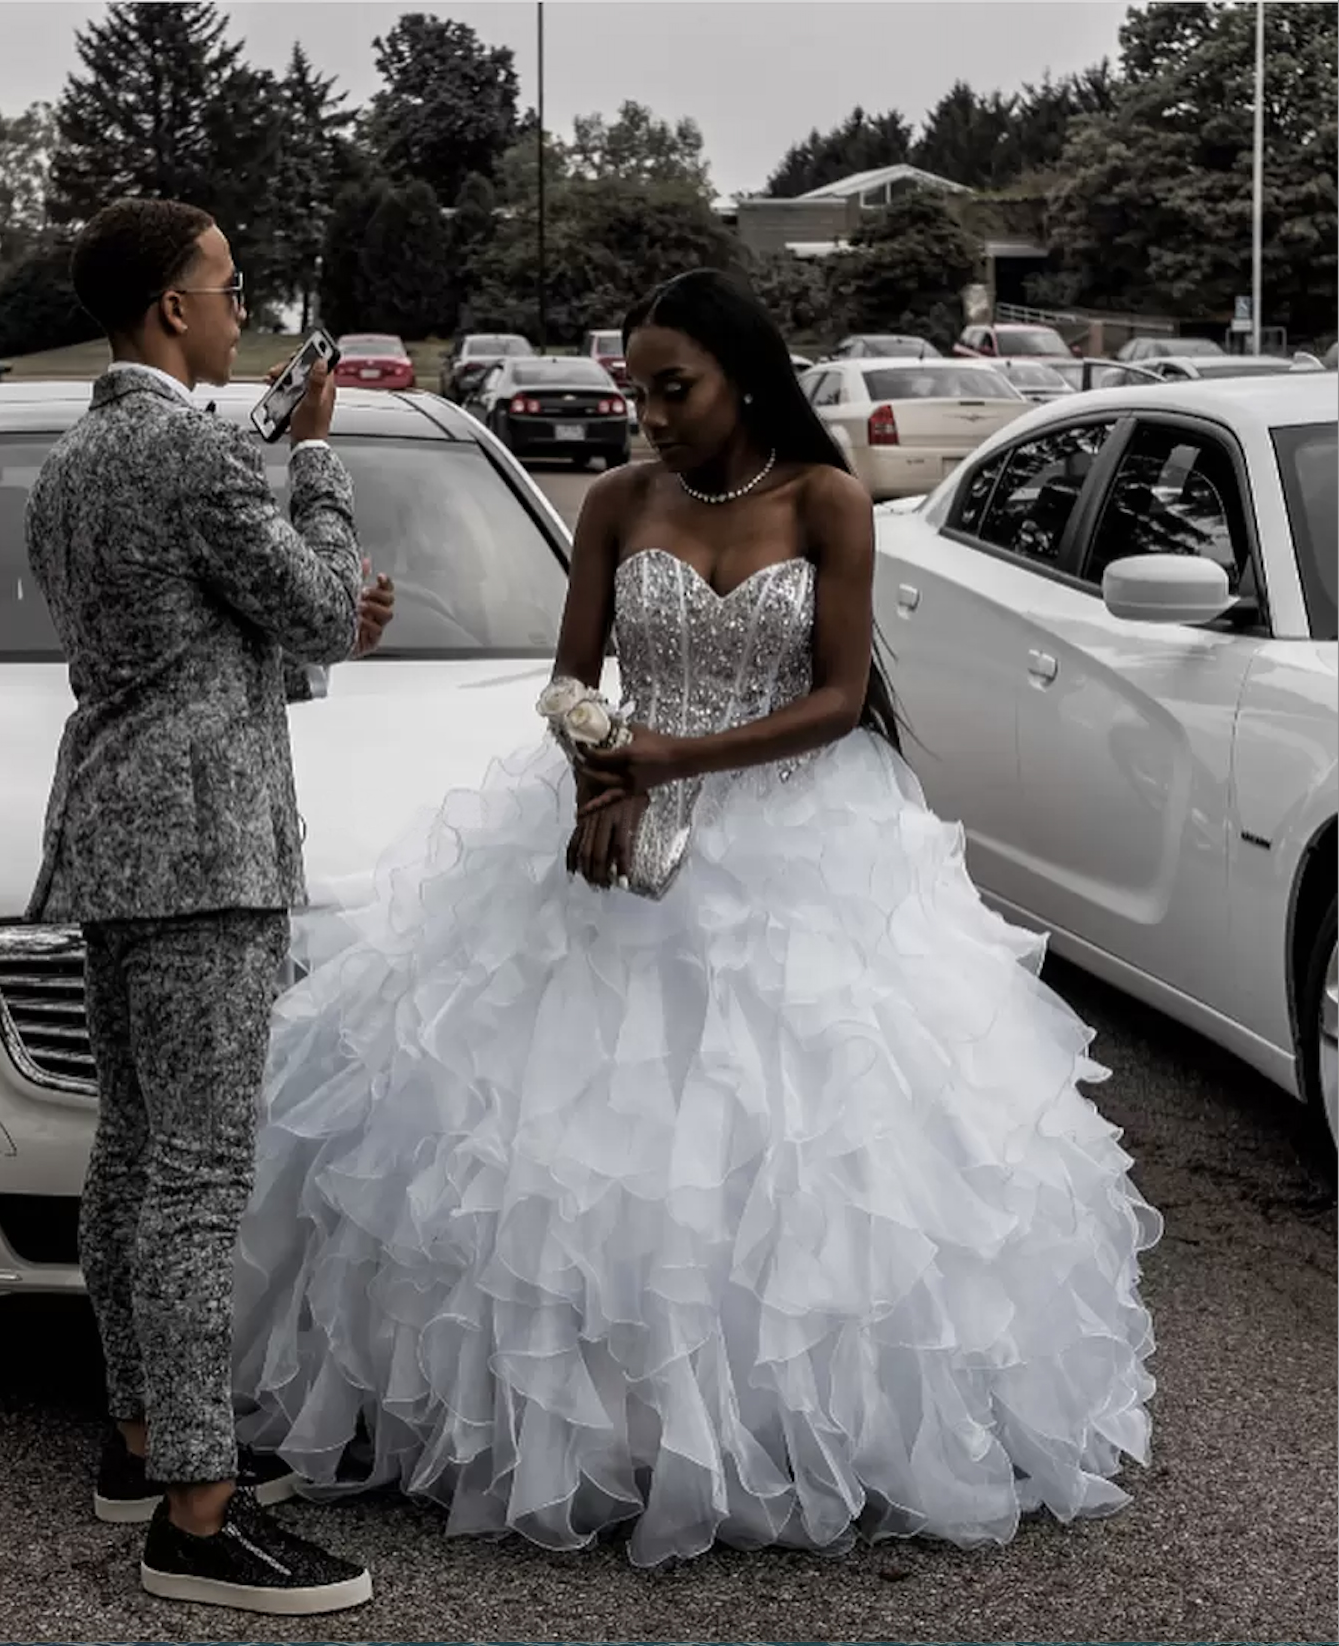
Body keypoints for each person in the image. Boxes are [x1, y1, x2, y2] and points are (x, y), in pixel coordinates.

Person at [226, 267, 1162, 1568]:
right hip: (625, 818)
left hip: (800, 843)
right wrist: (608, 767)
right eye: (638, 391)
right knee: (569, 1148)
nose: (652, 414)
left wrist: (664, 761)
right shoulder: (614, 502)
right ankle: (597, 1430)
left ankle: (787, 1430)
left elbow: (839, 697)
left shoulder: (827, 501)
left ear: (746, 377)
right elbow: (564, 687)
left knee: (797, 1153)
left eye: (677, 389)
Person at [25, 196, 389, 1614]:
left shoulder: (74, 461)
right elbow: (312, 610)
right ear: (172, 308)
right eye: (229, 286)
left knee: (131, 1161)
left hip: (113, 833)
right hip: (201, 852)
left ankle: (142, 1439)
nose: (245, 310)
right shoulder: (191, 448)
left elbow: (200, 645)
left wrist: (300, 592)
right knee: (191, 1182)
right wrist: (319, 461)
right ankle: (195, 1511)